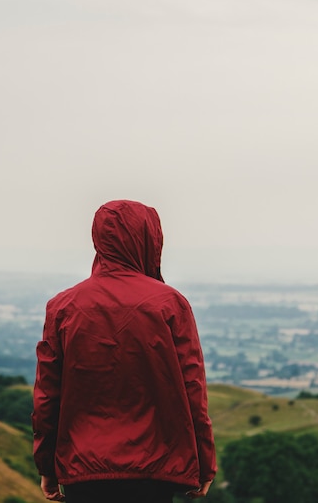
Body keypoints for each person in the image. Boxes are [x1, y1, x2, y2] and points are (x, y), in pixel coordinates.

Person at [32, 199, 217, 503]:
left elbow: (47, 397)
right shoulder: (170, 304)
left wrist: (47, 465)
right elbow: (192, 390)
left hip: (83, 468)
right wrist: (204, 462)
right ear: (150, 239)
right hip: (155, 470)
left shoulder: (63, 307)